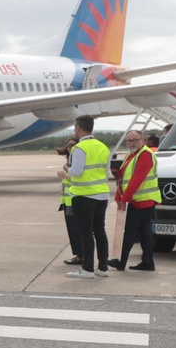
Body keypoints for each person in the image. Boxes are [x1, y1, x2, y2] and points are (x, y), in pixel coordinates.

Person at [61, 115, 111, 279]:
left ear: (79, 128)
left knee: (85, 232)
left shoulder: (79, 148)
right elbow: (107, 171)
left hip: (84, 195)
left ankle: (88, 268)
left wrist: (66, 169)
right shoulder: (103, 147)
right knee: (100, 231)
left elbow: (76, 172)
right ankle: (103, 267)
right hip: (102, 194)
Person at [108, 130, 158, 272]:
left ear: (141, 140)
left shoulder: (145, 155)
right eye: (129, 141)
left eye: (134, 140)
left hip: (142, 201)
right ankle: (148, 262)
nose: (131, 143)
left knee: (130, 232)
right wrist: (119, 196)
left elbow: (137, 179)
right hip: (141, 200)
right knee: (144, 232)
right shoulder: (132, 155)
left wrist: (124, 199)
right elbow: (123, 177)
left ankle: (121, 262)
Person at [57, 137, 83, 265]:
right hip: (68, 201)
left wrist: (65, 175)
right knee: (73, 230)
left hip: (75, 200)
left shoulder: (76, 161)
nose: (70, 148)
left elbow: (79, 179)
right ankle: (79, 255)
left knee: (77, 230)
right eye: (68, 146)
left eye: (73, 145)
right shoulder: (69, 160)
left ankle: (80, 256)